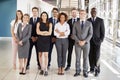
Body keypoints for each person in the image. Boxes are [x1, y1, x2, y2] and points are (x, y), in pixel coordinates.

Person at [72, 10, 93, 77]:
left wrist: (84, 41)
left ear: (86, 15)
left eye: (83, 14)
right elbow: (74, 34)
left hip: (86, 44)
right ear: (79, 15)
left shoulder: (89, 23)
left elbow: (90, 34)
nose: (82, 15)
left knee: (85, 58)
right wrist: (78, 41)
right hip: (77, 44)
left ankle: (85, 71)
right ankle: (77, 71)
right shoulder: (75, 23)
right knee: (77, 58)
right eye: (81, 14)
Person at [88, 7, 105, 76]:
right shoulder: (88, 20)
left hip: (97, 42)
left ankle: (97, 69)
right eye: (92, 11)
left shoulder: (100, 20)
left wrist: (101, 40)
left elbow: (103, 32)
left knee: (97, 56)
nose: (93, 12)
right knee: (90, 55)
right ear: (90, 12)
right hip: (89, 42)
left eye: (95, 11)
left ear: (96, 12)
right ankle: (92, 68)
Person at [36, 12, 52, 76]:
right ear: (41, 16)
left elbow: (50, 33)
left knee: (46, 55)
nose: (44, 16)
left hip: (47, 41)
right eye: (43, 15)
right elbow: (37, 32)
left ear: (47, 16)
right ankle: (42, 69)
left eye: (45, 15)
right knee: (40, 54)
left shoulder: (50, 23)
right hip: (40, 40)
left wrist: (41, 32)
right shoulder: (38, 23)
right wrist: (45, 32)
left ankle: (45, 69)